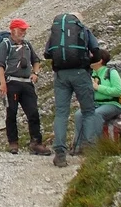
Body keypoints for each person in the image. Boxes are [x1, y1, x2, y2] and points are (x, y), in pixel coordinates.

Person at [43, 12, 101, 167]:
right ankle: (89, 148)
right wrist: (87, 61)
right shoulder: (84, 30)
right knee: (88, 111)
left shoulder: (57, 32)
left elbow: (47, 53)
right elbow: (97, 52)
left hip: (61, 75)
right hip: (80, 73)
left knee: (62, 112)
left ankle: (60, 153)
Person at [0, 18, 51, 156]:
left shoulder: (27, 45)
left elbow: (36, 60)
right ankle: (13, 143)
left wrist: (35, 73)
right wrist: (2, 84)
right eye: (21, 29)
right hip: (11, 83)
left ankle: (36, 142)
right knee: (12, 113)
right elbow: (0, 65)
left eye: (25, 29)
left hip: (27, 83)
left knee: (33, 112)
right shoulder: (5, 44)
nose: (24, 32)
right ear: (13, 30)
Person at [71, 49, 121, 155]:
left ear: (100, 60)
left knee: (96, 114)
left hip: (112, 104)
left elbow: (118, 91)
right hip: (94, 103)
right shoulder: (91, 73)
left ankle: (93, 146)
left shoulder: (111, 72)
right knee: (79, 114)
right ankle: (78, 145)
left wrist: (98, 87)